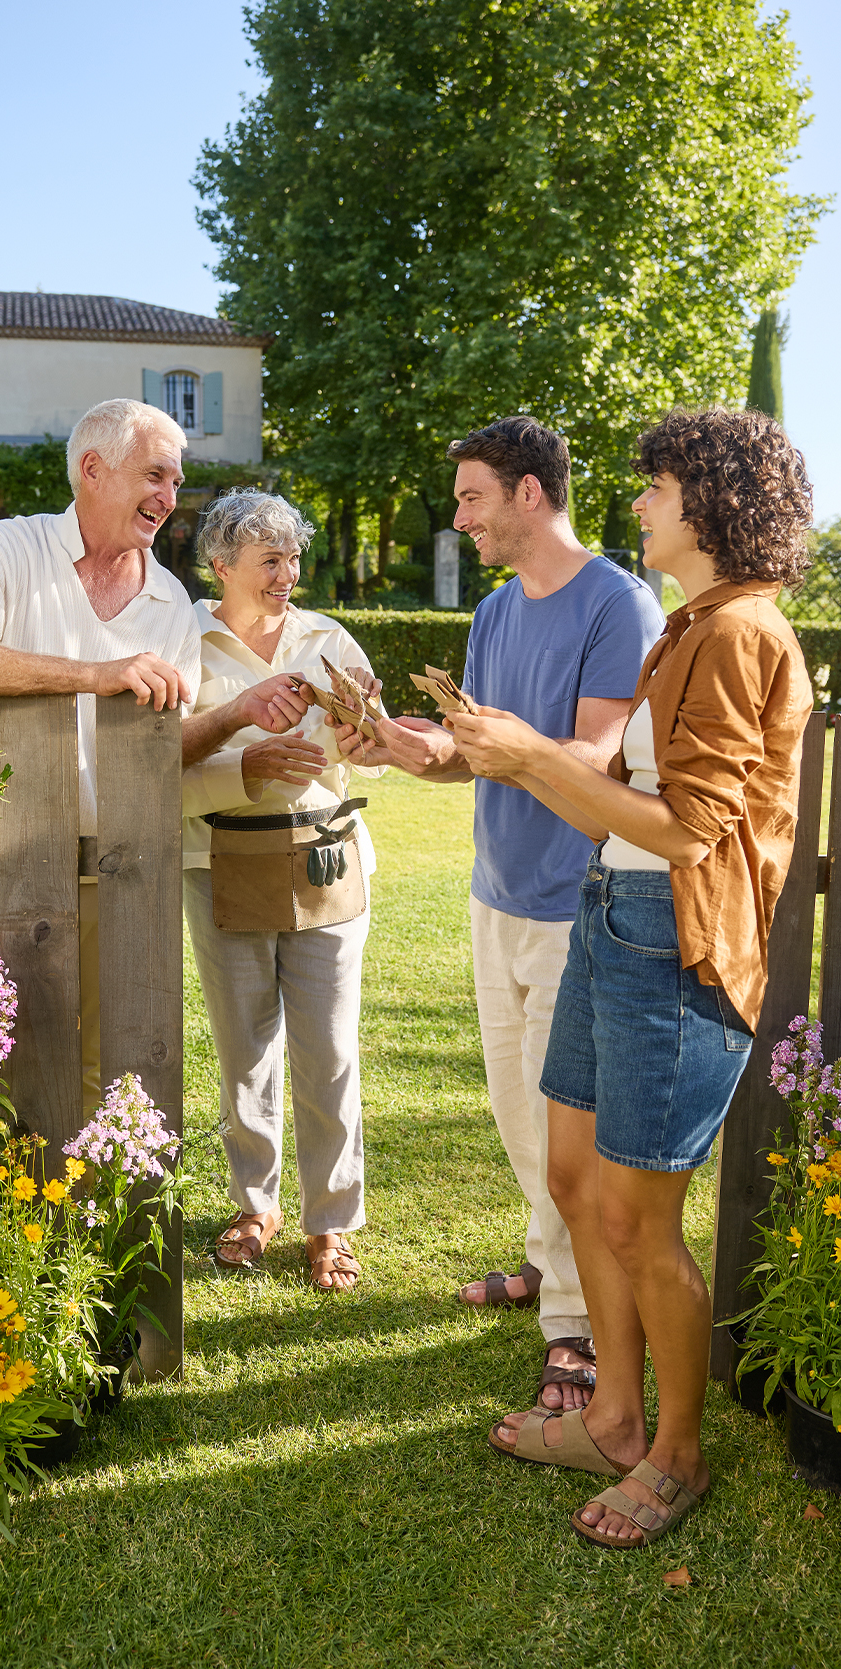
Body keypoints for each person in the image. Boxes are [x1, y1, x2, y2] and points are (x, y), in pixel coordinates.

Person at [447, 407, 813, 1548]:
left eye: (656, 486)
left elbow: (692, 831)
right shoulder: (693, 624)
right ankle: (612, 1413)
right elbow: (616, 796)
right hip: (610, 913)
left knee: (637, 1221)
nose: (641, 503)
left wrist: (532, 756)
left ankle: (678, 1452)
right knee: (570, 1177)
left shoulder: (744, 634)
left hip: (676, 938)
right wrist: (508, 754)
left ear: (709, 503)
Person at [335, 416, 664, 1404]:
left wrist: (494, 743)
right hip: (497, 894)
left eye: (473, 495)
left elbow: (597, 761)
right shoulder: (493, 614)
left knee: (570, 1128)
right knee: (521, 1117)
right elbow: (470, 755)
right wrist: (402, 744)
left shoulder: (620, 605)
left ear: (530, 492)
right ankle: (547, 1264)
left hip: (582, 906)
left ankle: (578, 1322)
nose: (459, 515)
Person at [0, 399, 312, 1111]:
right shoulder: (9, 547)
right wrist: (91, 675)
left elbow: (164, 752)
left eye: (176, 479)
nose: (169, 497)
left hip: (112, 868)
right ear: (92, 469)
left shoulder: (169, 601)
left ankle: (84, 1215)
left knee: (101, 1059)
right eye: (154, 475)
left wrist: (231, 716)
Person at [181, 488, 386, 1291]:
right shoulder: (183, 639)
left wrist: (361, 732)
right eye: (270, 560)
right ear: (222, 563)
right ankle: (253, 1205)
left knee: (329, 1049)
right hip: (219, 862)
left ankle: (330, 1222)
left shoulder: (327, 637)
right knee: (242, 1049)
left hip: (327, 862)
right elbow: (161, 760)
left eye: (293, 558)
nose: (287, 574)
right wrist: (245, 764)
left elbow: (372, 755)